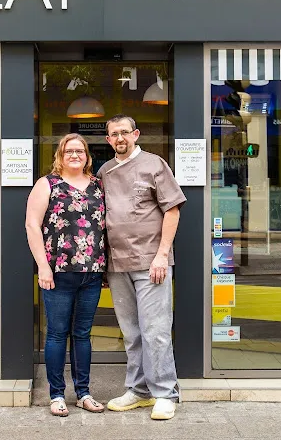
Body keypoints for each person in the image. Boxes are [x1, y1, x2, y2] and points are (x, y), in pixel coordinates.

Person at [97, 114, 186, 421]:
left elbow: (172, 210)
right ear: (108, 140)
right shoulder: (105, 171)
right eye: (113, 134)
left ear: (135, 134)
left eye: (124, 132)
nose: (119, 138)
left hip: (152, 263)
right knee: (131, 332)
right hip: (117, 263)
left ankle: (165, 393)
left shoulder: (154, 164)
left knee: (156, 330)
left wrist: (162, 255)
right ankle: (138, 390)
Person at [25, 133, 107, 417]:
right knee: (58, 335)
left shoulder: (98, 186)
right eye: (69, 151)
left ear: (87, 156)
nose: (75, 155)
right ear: (60, 155)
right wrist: (43, 266)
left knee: (83, 335)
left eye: (80, 151)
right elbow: (32, 226)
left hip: (92, 273)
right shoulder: (46, 184)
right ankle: (57, 395)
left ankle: (83, 393)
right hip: (57, 273)